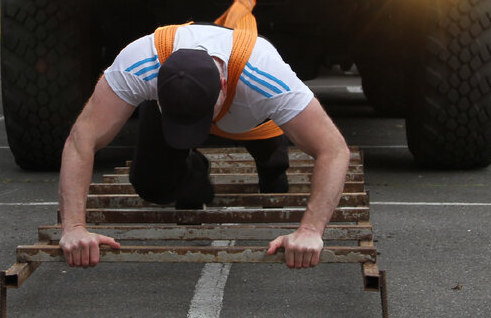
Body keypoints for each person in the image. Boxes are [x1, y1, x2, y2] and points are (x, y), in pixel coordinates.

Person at [57, 22, 351, 270]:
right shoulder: (139, 64)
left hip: (251, 116)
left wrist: (311, 231)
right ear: (155, 85)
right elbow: (81, 140)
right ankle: (194, 174)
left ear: (223, 86)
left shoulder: (266, 78)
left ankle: (272, 162)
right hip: (186, 100)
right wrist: (73, 228)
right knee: (150, 184)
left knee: (274, 177)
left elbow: (334, 150)